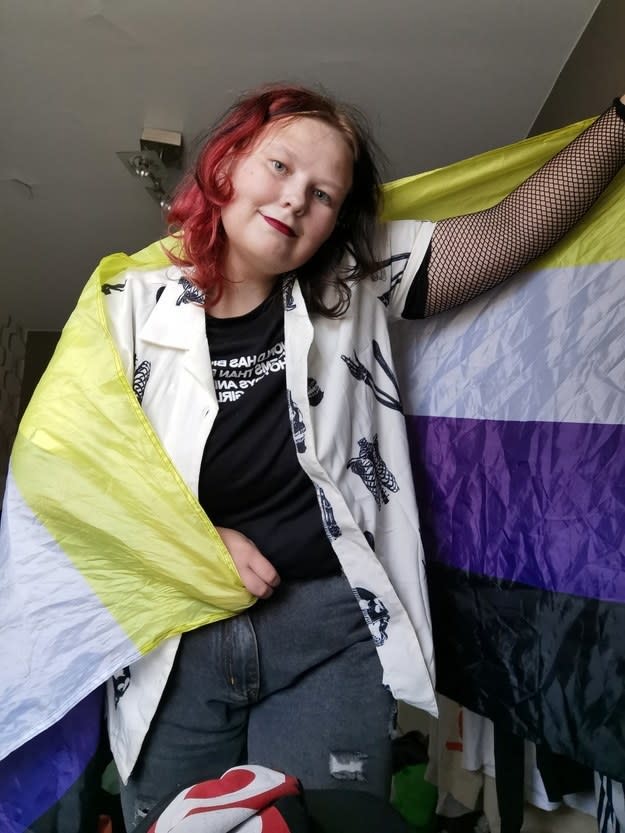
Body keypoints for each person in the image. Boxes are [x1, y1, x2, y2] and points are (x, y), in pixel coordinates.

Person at [102, 83, 625, 830]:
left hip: (330, 632)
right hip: (175, 640)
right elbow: (75, 478)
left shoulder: (355, 278)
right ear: (225, 166)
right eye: (278, 167)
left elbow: (511, 229)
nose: (294, 200)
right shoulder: (124, 302)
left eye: (322, 194)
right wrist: (189, 541)